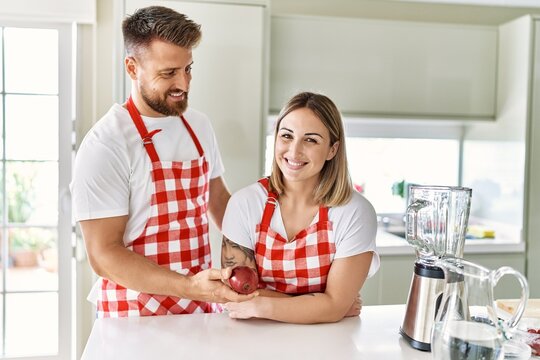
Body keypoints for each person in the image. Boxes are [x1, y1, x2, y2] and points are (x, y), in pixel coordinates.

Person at [70, 5, 253, 318]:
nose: (183, 83)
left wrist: (261, 261)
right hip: (133, 318)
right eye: (168, 73)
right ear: (132, 68)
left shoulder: (198, 126)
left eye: (188, 69)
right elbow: (103, 256)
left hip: (196, 309)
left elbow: (219, 201)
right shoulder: (106, 144)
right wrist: (190, 286)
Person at [221, 92, 379, 324]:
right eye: (286, 136)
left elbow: (334, 306)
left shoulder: (355, 212)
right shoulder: (244, 204)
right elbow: (236, 296)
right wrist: (321, 305)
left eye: (311, 140)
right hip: (253, 336)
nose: (294, 152)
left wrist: (261, 304)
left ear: (332, 150)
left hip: (328, 343)